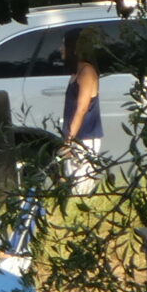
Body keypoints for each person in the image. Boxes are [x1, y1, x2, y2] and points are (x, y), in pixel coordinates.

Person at [60, 30, 102, 197]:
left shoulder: (87, 72)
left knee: (82, 184)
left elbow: (82, 108)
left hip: (85, 136)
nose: (61, 48)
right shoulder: (76, 72)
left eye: (64, 44)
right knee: (71, 181)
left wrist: (69, 140)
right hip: (73, 135)